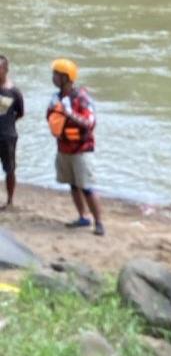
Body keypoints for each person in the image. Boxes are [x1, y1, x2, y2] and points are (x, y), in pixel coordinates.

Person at [47, 58, 104, 236]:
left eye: (57, 74)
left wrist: (69, 114)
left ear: (66, 77)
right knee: (73, 185)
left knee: (87, 187)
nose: (54, 77)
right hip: (64, 148)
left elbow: (90, 122)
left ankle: (99, 223)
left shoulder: (82, 98)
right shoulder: (56, 98)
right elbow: (50, 118)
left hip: (81, 150)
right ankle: (82, 217)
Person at [0, 55, 24, 209]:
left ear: (5, 70)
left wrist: (8, 123)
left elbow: (20, 113)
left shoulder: (14, 92)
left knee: (10, 169)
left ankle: (9, 200)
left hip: (7, 135)